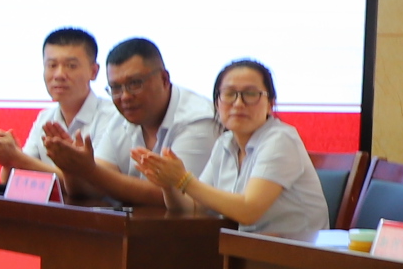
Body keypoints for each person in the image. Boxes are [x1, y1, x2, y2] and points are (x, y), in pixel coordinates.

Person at [131, 57, 322, 240]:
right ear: (217, 103)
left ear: (270, 104)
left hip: (298, 253)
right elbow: (194, 208)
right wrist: (169, 185)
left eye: (250, 94)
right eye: (229, 94)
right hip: (247, 248)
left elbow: (248, 211)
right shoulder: (225, 142)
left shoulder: (281, 139)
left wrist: (183, 180)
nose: (238, 104)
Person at [42, 36, 215, 208]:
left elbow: (176, 196)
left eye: (135, 84)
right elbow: (92, 189)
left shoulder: (197, 120)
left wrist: (90, 171)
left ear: (164, 79)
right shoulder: (121, 119)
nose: (125, 96)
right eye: (116, 88)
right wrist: (72, 169)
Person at [0, 28, 110, 185]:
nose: (59, 74)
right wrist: (10, 160)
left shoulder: (111, 116)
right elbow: (16, 178)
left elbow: (95, 183)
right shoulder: (45, 117)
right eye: (52, 65)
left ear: (94, 71)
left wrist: (18, 158)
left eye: (71, 66)